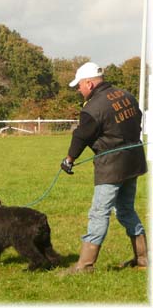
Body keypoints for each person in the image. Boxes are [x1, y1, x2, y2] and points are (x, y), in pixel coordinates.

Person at [60, 62, 148, 274]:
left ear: (89, 83)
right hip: (133, 161)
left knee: (99, 213)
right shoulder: (126, 95)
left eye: (79, 85)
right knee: (126, 209)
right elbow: (138, 120)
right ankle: (144, 259)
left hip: (111, 167)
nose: (78, 90)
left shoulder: (92, 108)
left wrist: (69, 159)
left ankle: (85, 265)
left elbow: (80, 136)